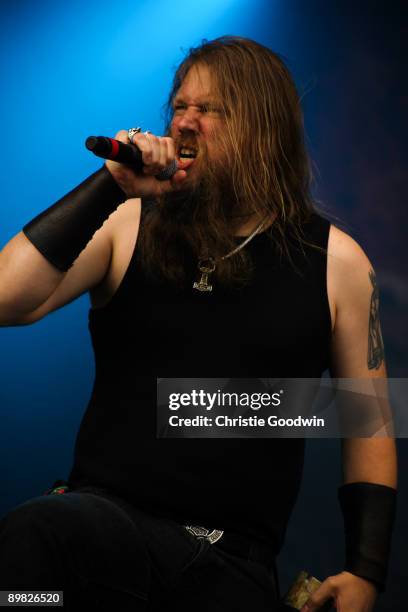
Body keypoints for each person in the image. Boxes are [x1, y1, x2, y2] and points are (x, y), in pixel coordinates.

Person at [0, 36, 397, 611]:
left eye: (209, 110)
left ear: (261, 127)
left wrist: (366, 571)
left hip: (226, 566)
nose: (185, 123)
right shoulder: (130, 222)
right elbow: (8, 299)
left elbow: (370, 427)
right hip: (100, 531)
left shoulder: (336, 263)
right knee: (26, 576)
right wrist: (109, 185)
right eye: (179, 107)